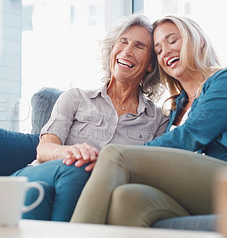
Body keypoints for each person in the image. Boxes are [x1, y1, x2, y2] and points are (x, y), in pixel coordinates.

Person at [70, 15, 227, 227]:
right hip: (199, 190)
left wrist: (122, 159)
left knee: (113, 154)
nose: (165, 51)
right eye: (158, 50)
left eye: (173, 41)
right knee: (127, 198)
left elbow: (190, 136)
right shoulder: (178, 107)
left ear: (199, 40)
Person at [10, 14, 168, 222]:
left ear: (150, 64)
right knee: (78, 167)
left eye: (139, 46)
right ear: (112, 49)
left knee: (41, 194)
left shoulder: (157, 119)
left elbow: (150, 172)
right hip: (37, 173)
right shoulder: (75, 98)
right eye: (123, 41)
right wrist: (70, 151)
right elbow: (44, 149)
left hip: (89, 192)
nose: (127, 51)